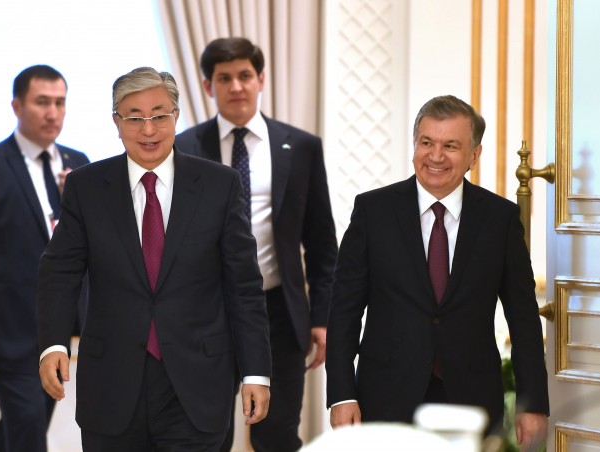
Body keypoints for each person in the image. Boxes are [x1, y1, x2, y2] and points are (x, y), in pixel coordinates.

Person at [36, 66, 272, 451]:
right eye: (135, 118)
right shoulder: (87, 186)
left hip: (197, 384)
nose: (149, 129)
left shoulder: (219, 185)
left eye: (160, 115)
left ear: (176, 116)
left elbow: (243, 287)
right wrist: (53, 345)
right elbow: (59, 272)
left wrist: (256, 372)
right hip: (111, 384)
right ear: (117, 122)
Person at [325, 95, 549, 450]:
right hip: (384, 395)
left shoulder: (500, 219)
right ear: (414, 146)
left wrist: (533, 403)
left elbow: (523, 318)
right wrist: (341, 395)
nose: (436, 156)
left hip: (472, 398)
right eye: (426, 143)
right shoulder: (372, 211)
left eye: (450, 146)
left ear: (474, 155)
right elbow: (343, 311)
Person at [175, 37, 338, 452]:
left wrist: (322, 318)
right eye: (224, 78)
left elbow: (322, 243)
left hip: (278, 312)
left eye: (245, 76)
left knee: (278, 435)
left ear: (261, 79)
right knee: (207, 434)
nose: (236, 87)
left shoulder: (300, 147)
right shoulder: (184, 148)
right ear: (208, 86)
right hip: (206, 313)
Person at [0, 64, 90, 452]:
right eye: (42, 102)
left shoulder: (79, 163)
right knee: (27, 427)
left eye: (60, 103)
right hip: (6, 327)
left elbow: (90, 244)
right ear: (17, 106)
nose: (52, 113)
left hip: (58, 330)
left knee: (24, 425)